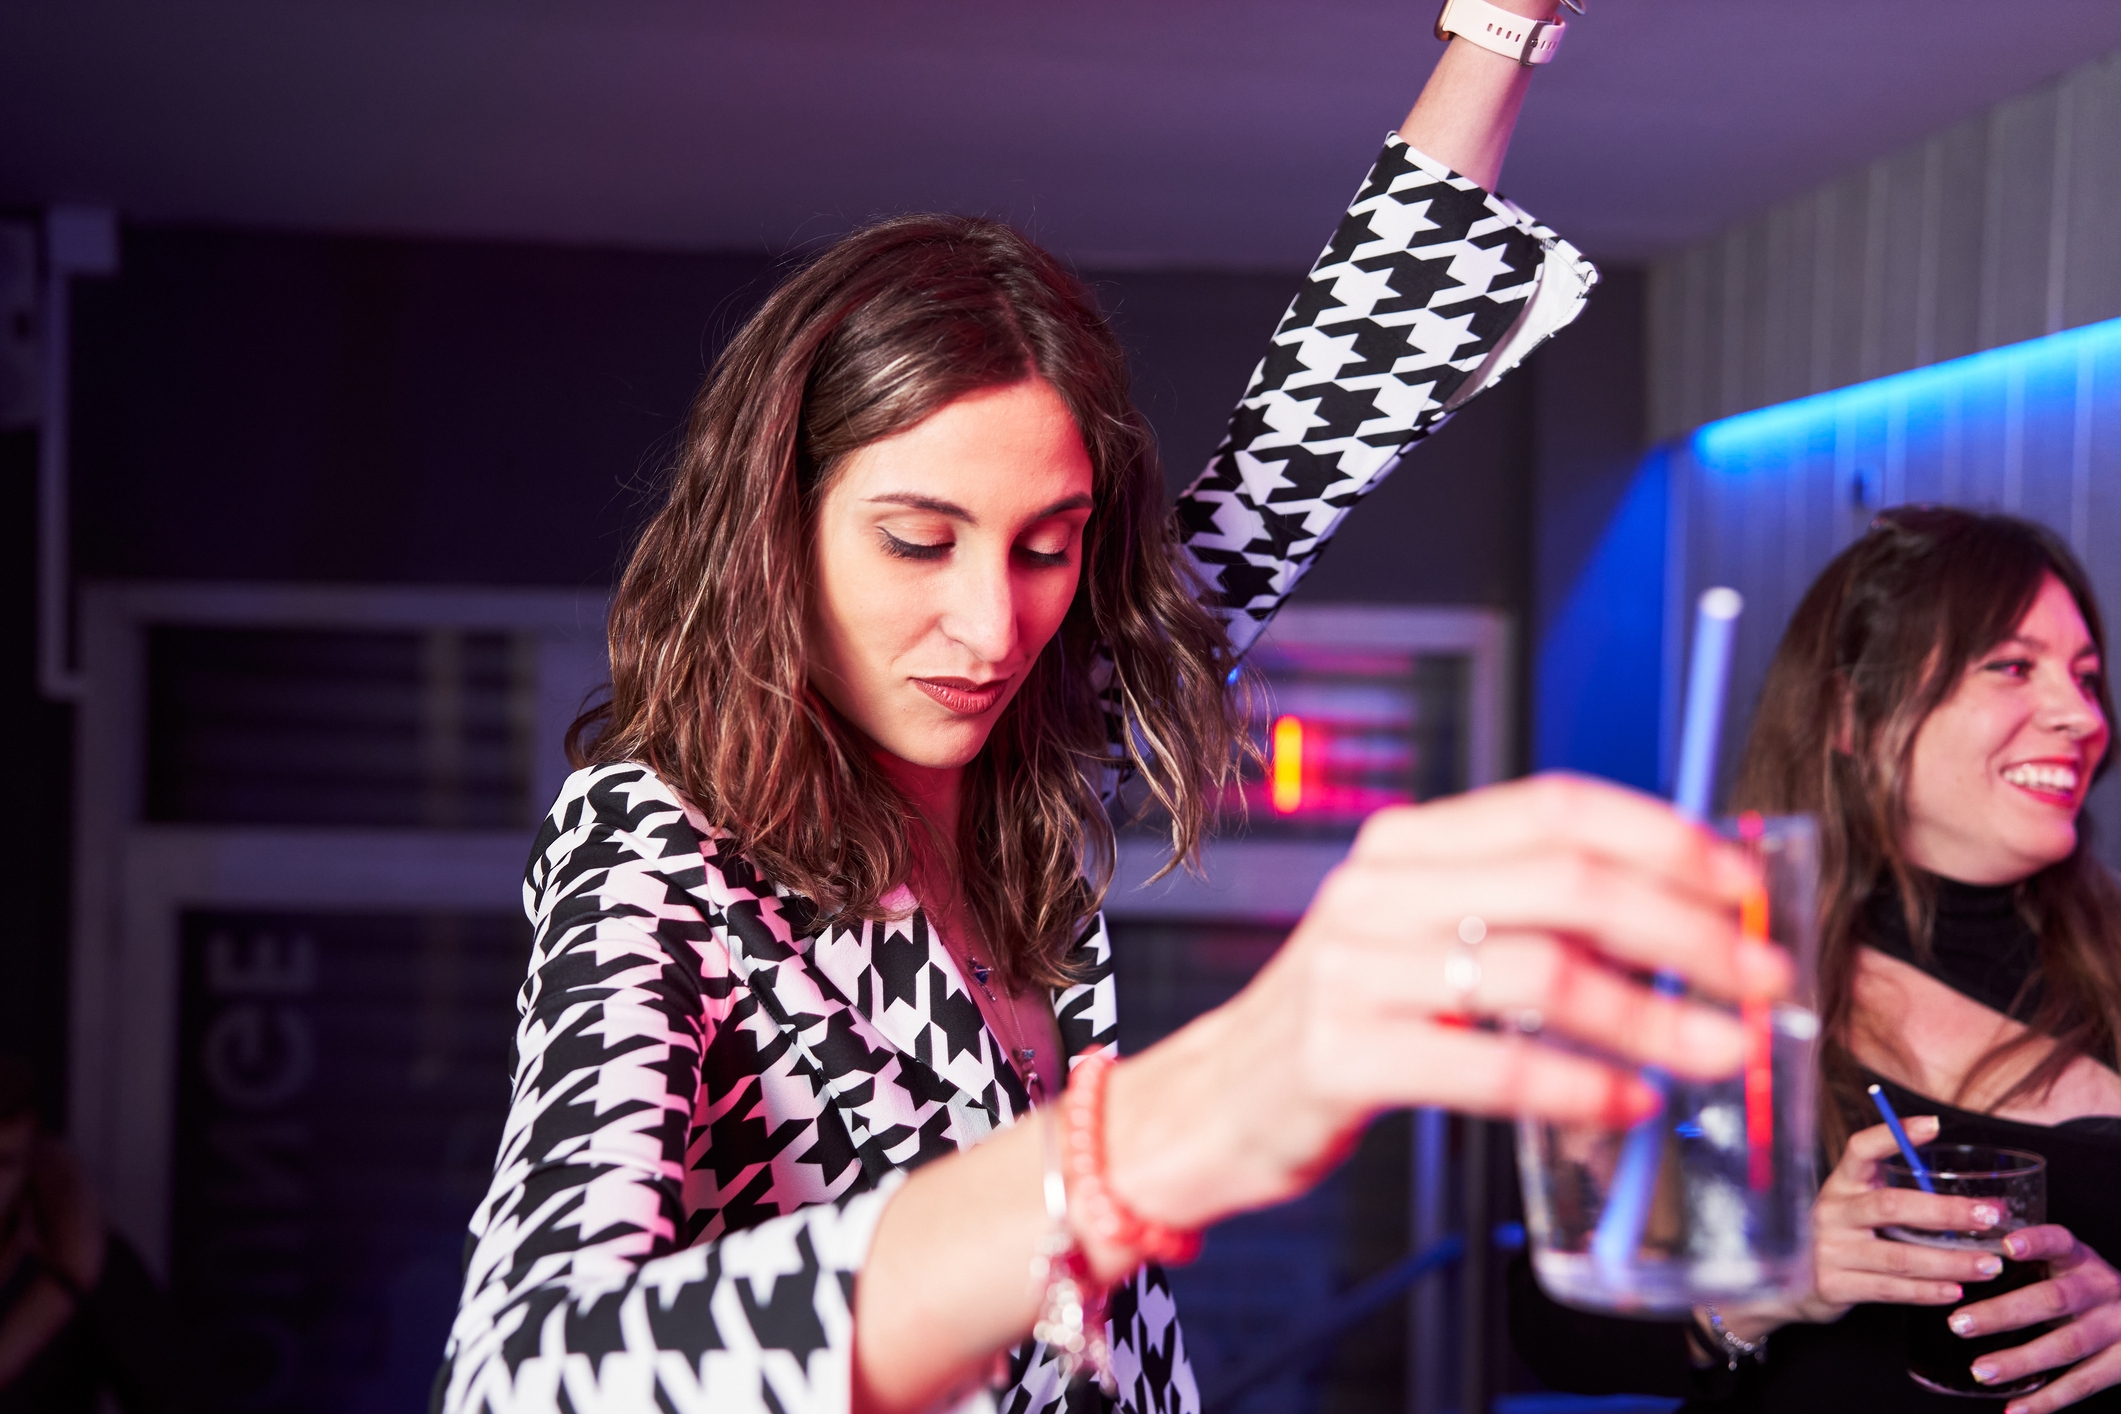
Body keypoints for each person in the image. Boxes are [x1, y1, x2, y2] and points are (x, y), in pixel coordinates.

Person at [436, 8, 1791, 1413]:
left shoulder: (1048, 754)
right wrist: (1149, 1140)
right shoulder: (661, 842)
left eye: (1046, 543)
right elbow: (526, 1375)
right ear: (773, 531)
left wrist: (1500, 28)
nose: (993, 626)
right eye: (916, 538)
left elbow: (1314, 426)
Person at [1509, 508, 2121, 1414]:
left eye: (2084, 676)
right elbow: (1557, 1334)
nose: (2080, 715)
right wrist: (1768, 1288)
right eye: (2009, 666)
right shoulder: (1724, 979)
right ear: (1851, 715)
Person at [0, 1058, 189, 1413]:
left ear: (32, 1164)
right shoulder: (76, 1255)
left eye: (3, 1162)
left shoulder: (94, 1260)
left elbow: (174, 1397)